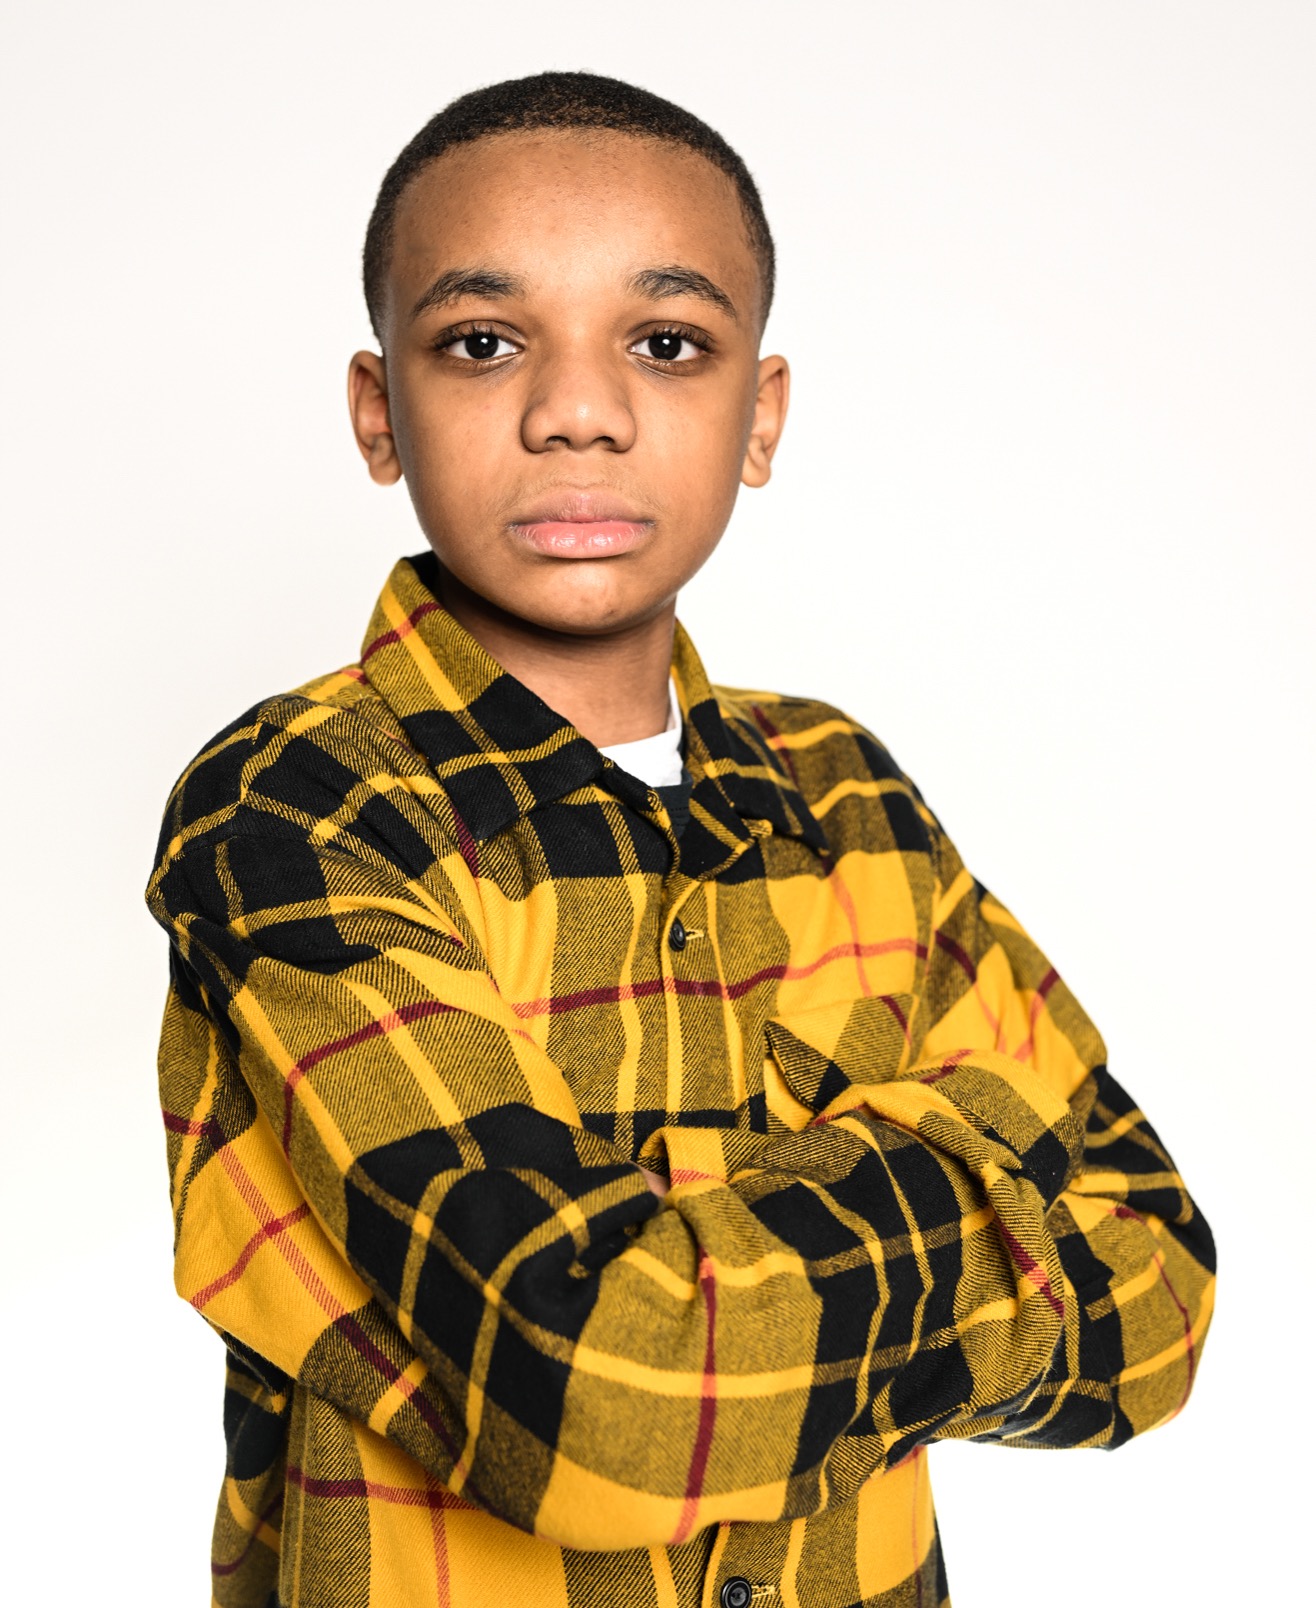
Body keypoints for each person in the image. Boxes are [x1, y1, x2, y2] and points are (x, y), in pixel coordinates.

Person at [145, 71, 1215, 1608]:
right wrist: (956, 1165)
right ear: (380, 414)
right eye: (483, 341)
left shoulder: (847, 795)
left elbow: (1165, 1291)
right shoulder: (302, 808)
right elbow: (610, 1407)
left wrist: (713, 1293)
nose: (577, 410)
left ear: (759, 416)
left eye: (666, 343)